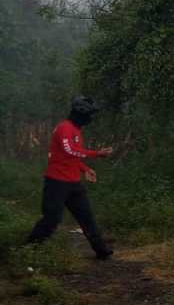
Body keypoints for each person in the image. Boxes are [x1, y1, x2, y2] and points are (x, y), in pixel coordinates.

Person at [26, 96, 115, 259]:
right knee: (51, 220)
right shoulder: (64, 128)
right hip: (56, 183)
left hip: (74, 183)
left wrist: (85, 169)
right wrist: (97, 154)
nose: (91, 119)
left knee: (86, 217)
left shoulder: (76, 130)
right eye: (90, 115)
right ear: (81, 114)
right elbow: (69, 150)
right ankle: (28, 251)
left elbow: (71, 156)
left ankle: (102, 251)